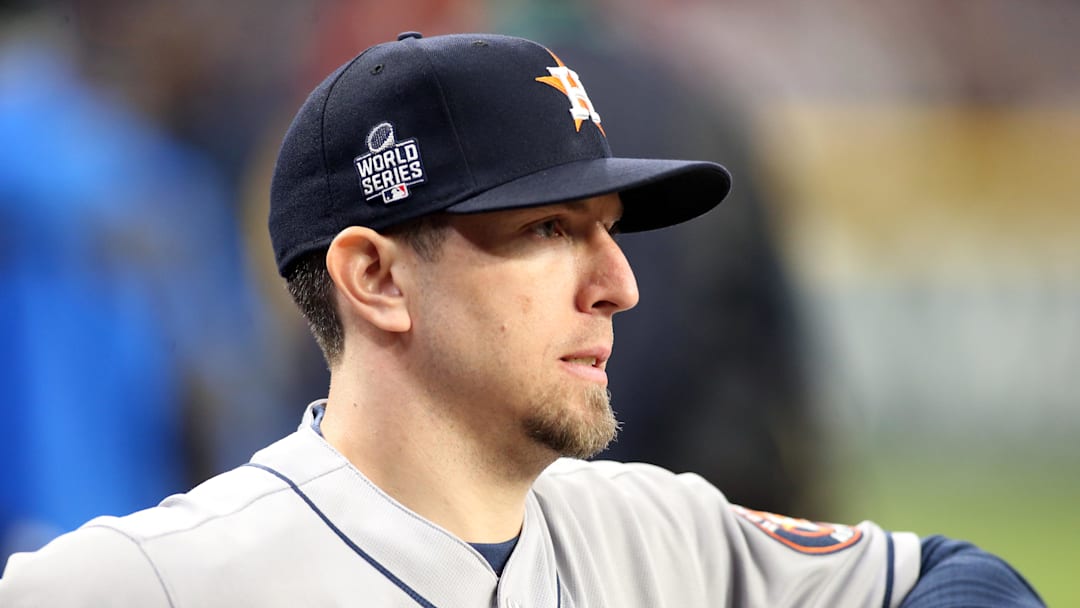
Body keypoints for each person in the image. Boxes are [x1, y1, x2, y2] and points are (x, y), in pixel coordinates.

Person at [0, 32, 1043, 607]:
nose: (619, 283)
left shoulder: (660, 526)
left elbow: (960, 578)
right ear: (376, 278)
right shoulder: (142, 579)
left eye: (610, 227)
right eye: (548, 228)